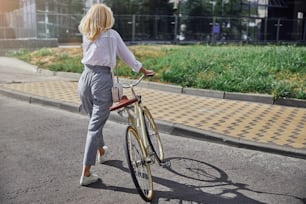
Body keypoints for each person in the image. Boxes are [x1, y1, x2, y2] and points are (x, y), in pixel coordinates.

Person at [77, 3, 155, 186]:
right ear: (107, 18)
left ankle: (102, 153)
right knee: (95, 127)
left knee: (94, 121)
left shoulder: (87, 34)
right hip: (101, 80)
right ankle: (86, 174)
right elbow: (127, 57)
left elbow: (88, 57)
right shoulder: (112, 35)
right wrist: (143, 70)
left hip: (84, 79)